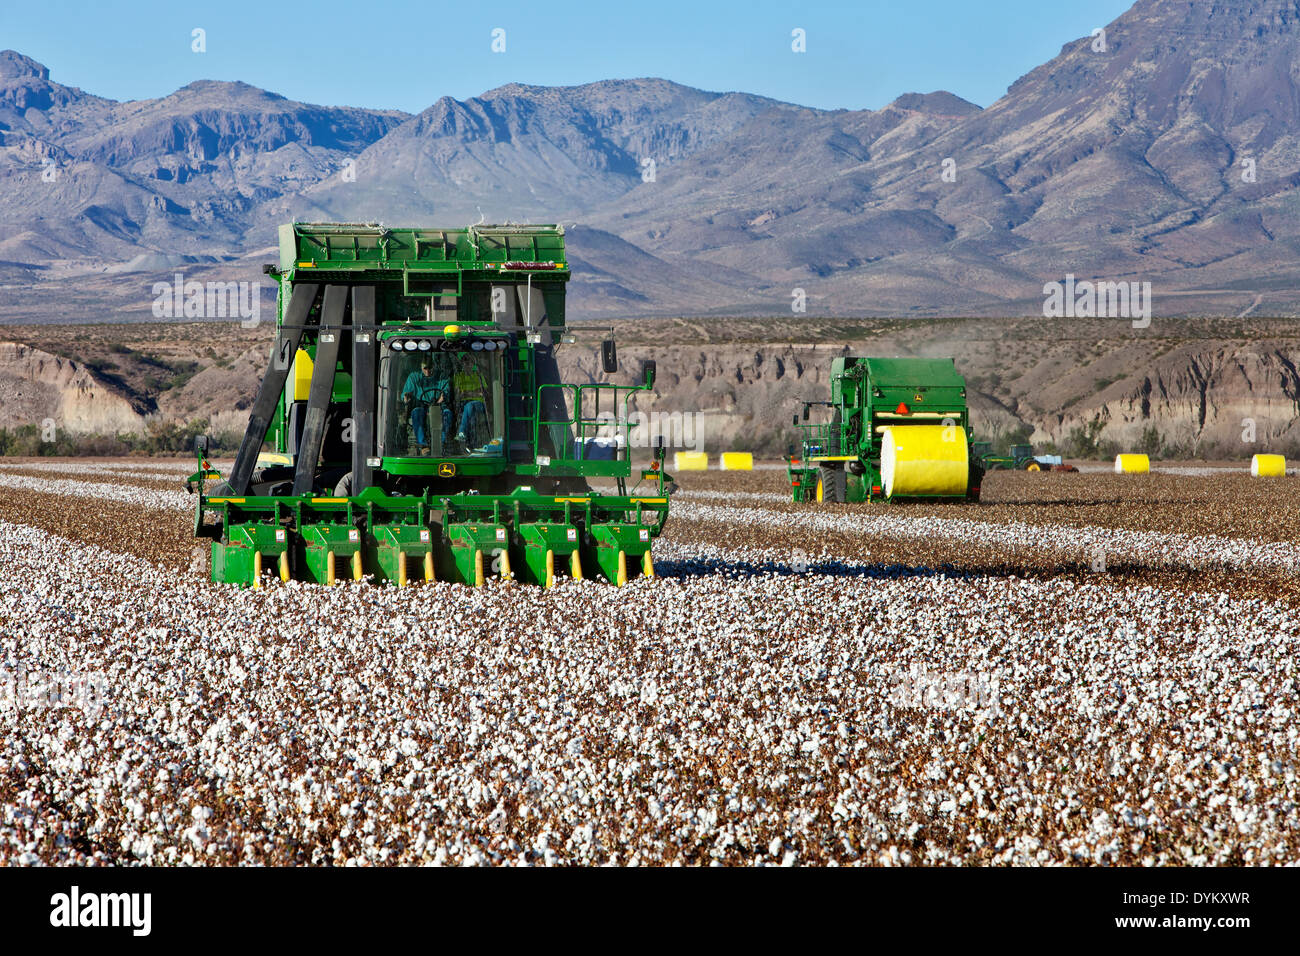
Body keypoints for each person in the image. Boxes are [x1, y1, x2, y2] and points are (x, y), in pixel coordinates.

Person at [401, 360, 449, 454]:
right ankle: (423, 445)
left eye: (430, 368)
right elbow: (406, 393)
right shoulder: (414, 377)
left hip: (438, 405)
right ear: (421, 367)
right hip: (421, 405)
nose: (427, 371)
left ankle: (441, 443)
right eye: (425, 368)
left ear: (434, 366)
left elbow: (446, 392)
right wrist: (406, 397)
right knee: (416, 412)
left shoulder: (442, 377)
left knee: (447, 414)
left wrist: (442, 398)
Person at [452, 354, 489, 445]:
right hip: (462, 404)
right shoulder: (458, 377)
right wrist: (475, 392)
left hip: (479, 404)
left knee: (470, 406)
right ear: (462, 364)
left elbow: (483, 393)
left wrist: (466, 392)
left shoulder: (479, 376)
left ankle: (462, 433)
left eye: (469, 363)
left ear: (473, 364)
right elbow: (458, 395)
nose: (467, 365)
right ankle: (472, 443)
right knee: (471, 416)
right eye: (465, 363)